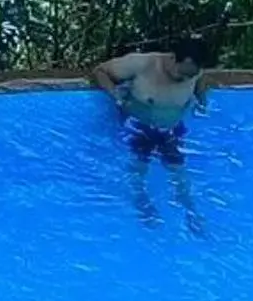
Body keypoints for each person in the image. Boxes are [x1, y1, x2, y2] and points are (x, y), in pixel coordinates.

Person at [92, 38, 215, 228]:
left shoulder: (194, 72)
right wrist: (115, 95)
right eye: (181, 73)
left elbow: (201, 79)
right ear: (173, 58)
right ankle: (143, 205)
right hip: (138, 128)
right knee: (137, 172)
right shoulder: (142, 63)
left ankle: (191, 212)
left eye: (189, 76)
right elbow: (100, 71)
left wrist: (202, 99)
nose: (184, 79)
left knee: (180, 173)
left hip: (171, 130)